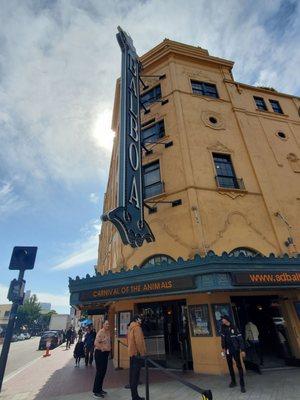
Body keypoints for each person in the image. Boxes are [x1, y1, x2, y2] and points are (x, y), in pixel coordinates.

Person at [221, 315, 246, 393]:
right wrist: (223, 349)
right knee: (230, 365)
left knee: (239, 365)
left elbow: (240, 339)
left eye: (223, 319)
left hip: (235, 349)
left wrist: (242, 350)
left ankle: (242, 385)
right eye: (222, 319)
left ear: (227, 320)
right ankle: (233, 381)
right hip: (228, 350)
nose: (222, 321)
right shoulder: (223, 329)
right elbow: (222, 339)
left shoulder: (234, 328)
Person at [128, 315, 146, 400]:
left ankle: (134, 395)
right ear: (136, 319)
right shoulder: (137, 328)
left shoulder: (130, 327)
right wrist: (142, 353)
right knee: (135, 376)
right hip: (137, 354)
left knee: (132, 376)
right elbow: (139, 342)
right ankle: (135, 397)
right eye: (139, 318)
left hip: (132, 354)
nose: (141, 320)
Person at [92, 321, 111, 398]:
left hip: (105, 354)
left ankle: (100, 389)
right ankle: (96, 392)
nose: (108, 325)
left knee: (103, 372)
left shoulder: (108, 332)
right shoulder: (101, 332)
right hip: (100, 353)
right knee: (99, 372)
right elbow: (96, 343)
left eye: (108, 324)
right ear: (103, 325)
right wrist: (102, 348)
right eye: (106, 324)